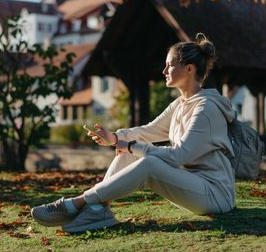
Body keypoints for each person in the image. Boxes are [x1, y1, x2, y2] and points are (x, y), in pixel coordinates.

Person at [31, 33, 236, 233]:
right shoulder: (181, 105)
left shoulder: (206, 109)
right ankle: (98, 209)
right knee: (131, 151)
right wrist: (116, 138)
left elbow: (178, 155)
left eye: (170, 65)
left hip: (215, 194)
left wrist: (131, 146)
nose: (164, 70)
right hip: (193, 185)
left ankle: (79, 202)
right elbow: (149, 131)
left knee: (148, 161)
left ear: (189, 69)